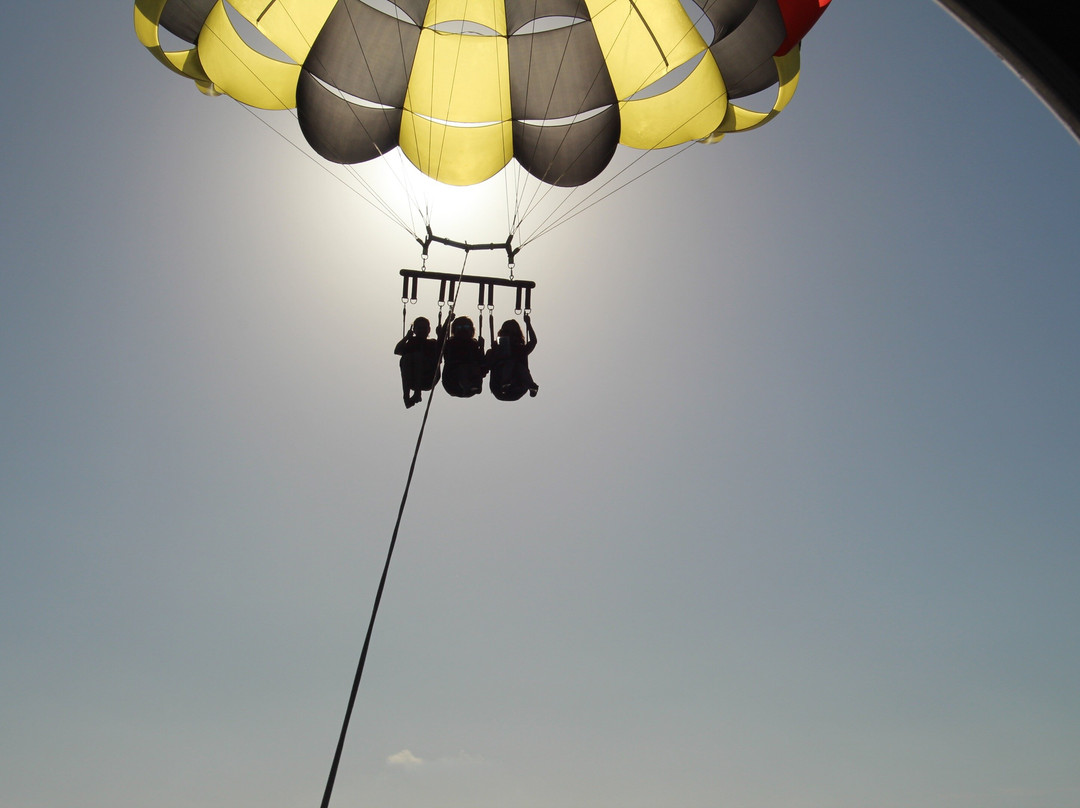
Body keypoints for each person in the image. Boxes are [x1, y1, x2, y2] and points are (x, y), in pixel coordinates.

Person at [486, 314, 538, 401]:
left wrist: (528, 323)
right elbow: (487, 365)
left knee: (518, 365)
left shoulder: (520, 350)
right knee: (511, 363)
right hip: (499, 386)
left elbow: (533, 341)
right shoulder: (495, 349)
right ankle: (506, 382)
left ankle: (530, 385)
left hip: (519, 386)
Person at [394, 316, 440, 408]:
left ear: (429, 330)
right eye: (419, 328)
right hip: (412, 379)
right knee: (406, 358)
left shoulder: (433, 343)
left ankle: (417, 392)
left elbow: (441, 350)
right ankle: (406, 397)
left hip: (429, 377)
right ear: (414, 330)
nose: (422, 330)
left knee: (417, 356)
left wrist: (440, 333)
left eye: (424, 328)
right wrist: (407, 337)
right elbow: (397, 350)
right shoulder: (411, 342)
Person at [439, 314, 487, 398]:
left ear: (471, 330)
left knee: (469, 367)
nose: (463, 330)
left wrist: (481, 348)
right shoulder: (450, 344)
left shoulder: (474, 345)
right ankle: (466, 386)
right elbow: (441, 342)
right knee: (463, 368)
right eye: (459, 328)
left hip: (472, 380)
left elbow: (483, 367)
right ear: (454, 331)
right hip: (452, 381)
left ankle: (468, 386)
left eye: (466, 327)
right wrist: (447, 321)